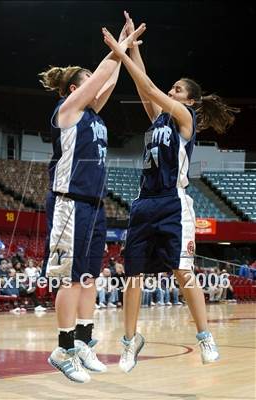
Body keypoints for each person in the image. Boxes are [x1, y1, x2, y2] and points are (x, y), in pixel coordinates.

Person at [102, 11, 239, 372]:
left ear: (189, 100)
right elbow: (145, 87)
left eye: (176, 89)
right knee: (133, 276)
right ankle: (130, 342)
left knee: (184, 272)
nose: (170, 91)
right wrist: (131, 47)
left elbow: (148, 88)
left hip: (173, 203)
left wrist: (121, 49)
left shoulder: (185, 118)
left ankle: (205, 336)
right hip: (143, 203)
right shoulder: (159, 117)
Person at [39, 22, 146, 383]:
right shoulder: (66, 111)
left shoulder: (93, 116)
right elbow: (104, 71)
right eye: (88, 82)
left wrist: (125, 52)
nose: (96, 86)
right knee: (69, 280)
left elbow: (109, 80)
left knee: (88, 278)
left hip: (93, 205)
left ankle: (83, 341)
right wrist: (122, 44)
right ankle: (63, 348)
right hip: (69, 203)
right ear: (74, 88)